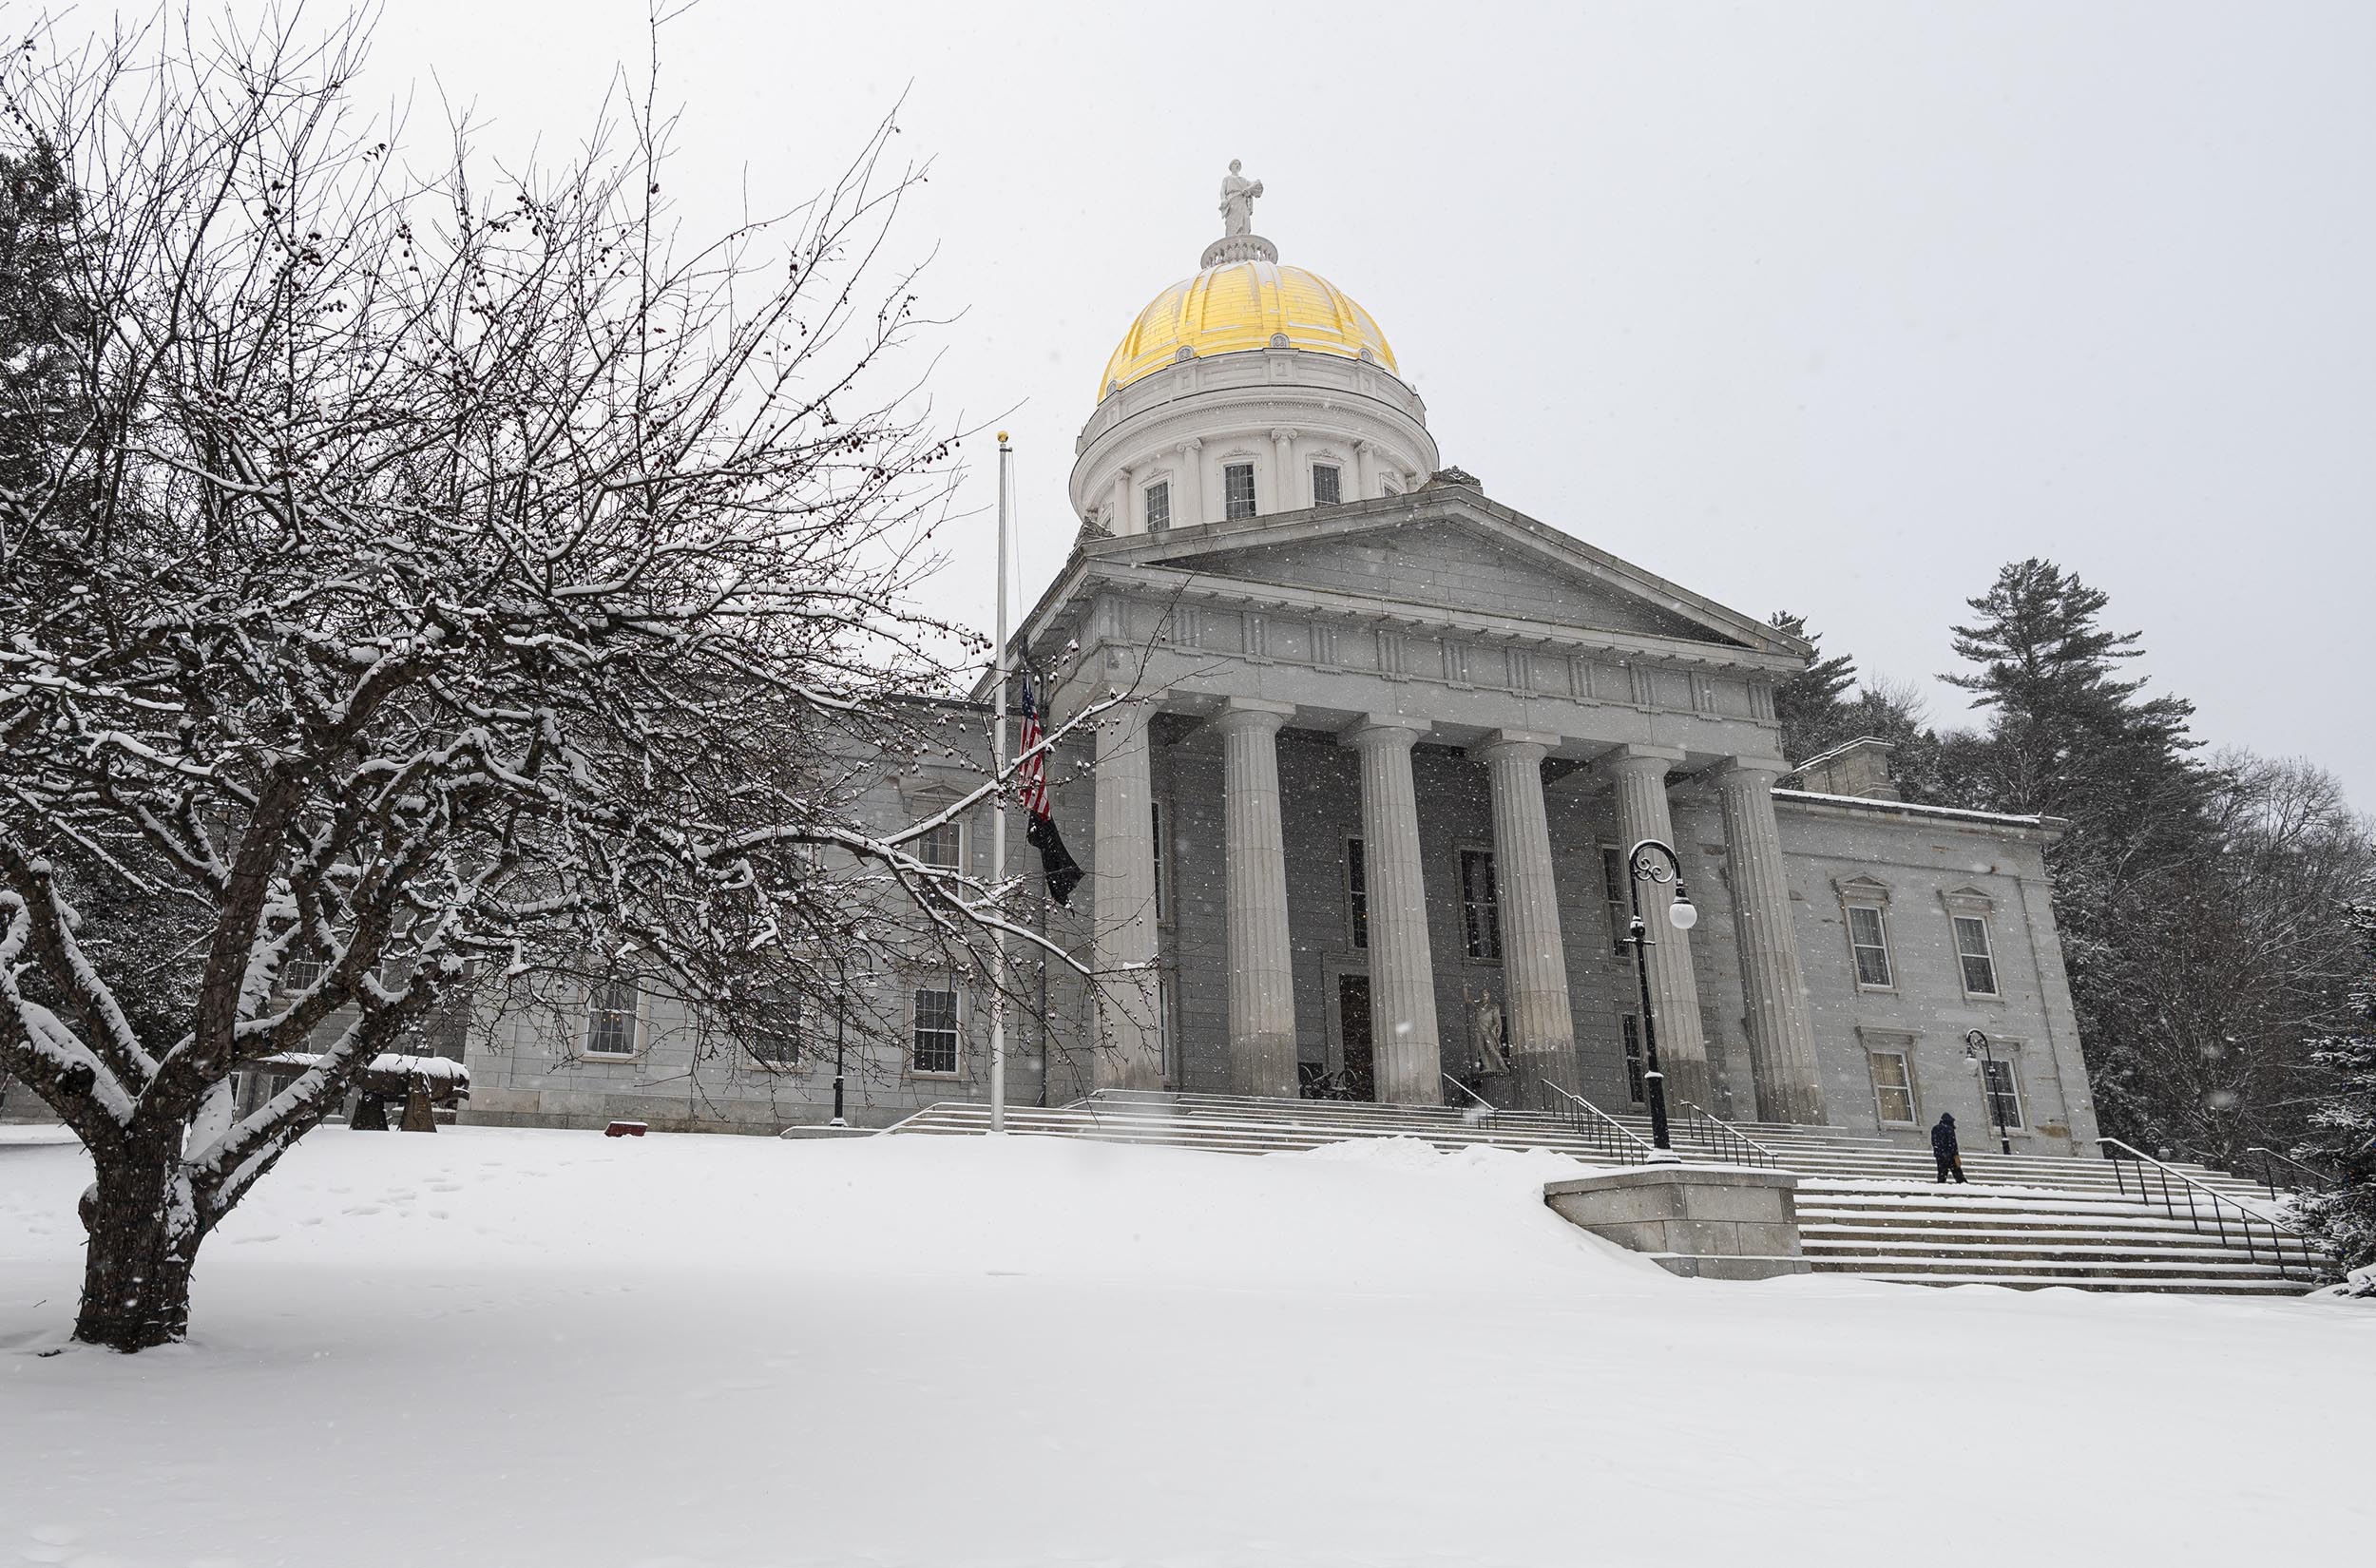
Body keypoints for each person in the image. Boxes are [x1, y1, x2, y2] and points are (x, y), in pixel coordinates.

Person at [1931, 1112, 1967, 1184]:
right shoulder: (1949, 1129)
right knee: (1958, 1173)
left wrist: (1940, 1152)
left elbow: (1934, 1142)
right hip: (1950, 1156)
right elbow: (1953, 1143)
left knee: (1942, 1173)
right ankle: (1965, 1186)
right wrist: (1955, 1155)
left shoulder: (1935, 1129)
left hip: (1940, 1155)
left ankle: (1940, 1186)